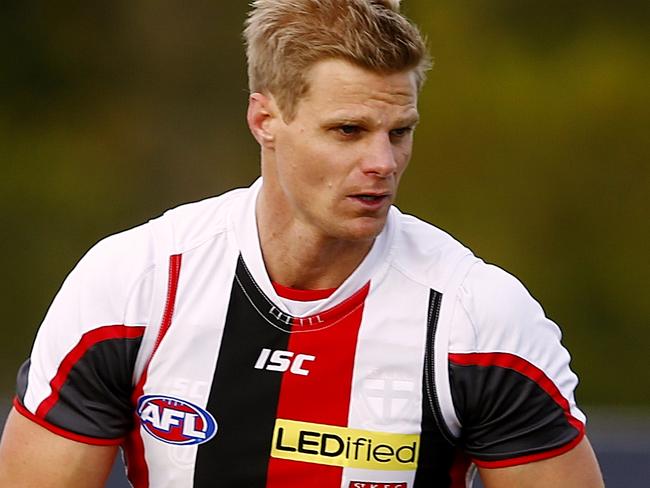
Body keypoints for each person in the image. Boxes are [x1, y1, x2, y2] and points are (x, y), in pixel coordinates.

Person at [0, 0, 603, 486]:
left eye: (400, 132)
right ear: (265, 120)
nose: (382, 161)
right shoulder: (134, 284)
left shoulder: (480, 320)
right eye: (348, 131)